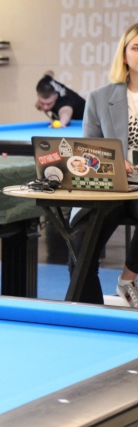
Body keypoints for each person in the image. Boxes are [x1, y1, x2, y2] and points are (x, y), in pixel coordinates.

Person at [70, 23, 138, 307]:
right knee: (79, 253)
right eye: (136, 48)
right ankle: (92, 318)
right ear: (124, 55)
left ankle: (127, 279)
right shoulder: (99, 97)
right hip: (110, 187)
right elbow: (87, 153)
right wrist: (112, 161)